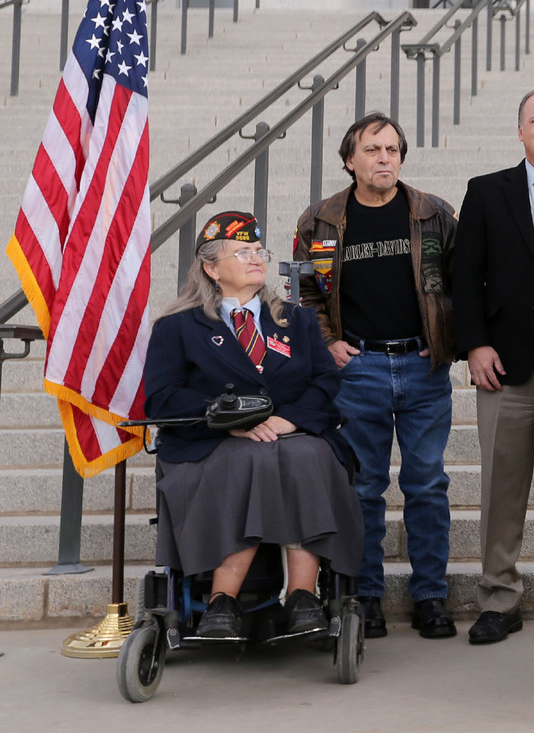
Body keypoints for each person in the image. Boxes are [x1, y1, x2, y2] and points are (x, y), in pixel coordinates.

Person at [145, 210, 363, 640]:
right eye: (242, 251)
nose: (256, 258)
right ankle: (220, 602)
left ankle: (302, 597)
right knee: (247, 459)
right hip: (211, 442)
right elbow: (164, 397)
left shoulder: (295, 320)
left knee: (307, 455)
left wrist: (288, 420)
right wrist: (230, 421)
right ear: (211, 268)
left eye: (259, 251)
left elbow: (325, 380)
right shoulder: (177, 326)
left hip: (290, 434)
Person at [294, 113, 459, 640]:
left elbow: (461, 281)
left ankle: (431, 597)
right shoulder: (318, 221)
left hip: (423, 365)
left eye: (392, 149)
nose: (384, 158)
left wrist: (446, 336)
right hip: (357, 368)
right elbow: (307, 293)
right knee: (363, 487)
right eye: (372, 149)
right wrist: (327, 343)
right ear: (350, 160)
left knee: (427, 485)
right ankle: (365, 597)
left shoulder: (434, 214)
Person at [453, 87, 534, 644]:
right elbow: (464, 275)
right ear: (521, 131)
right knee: (502, 485)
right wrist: (475, 345)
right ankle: (498, 598)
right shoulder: (487, 192)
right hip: (504, 362)